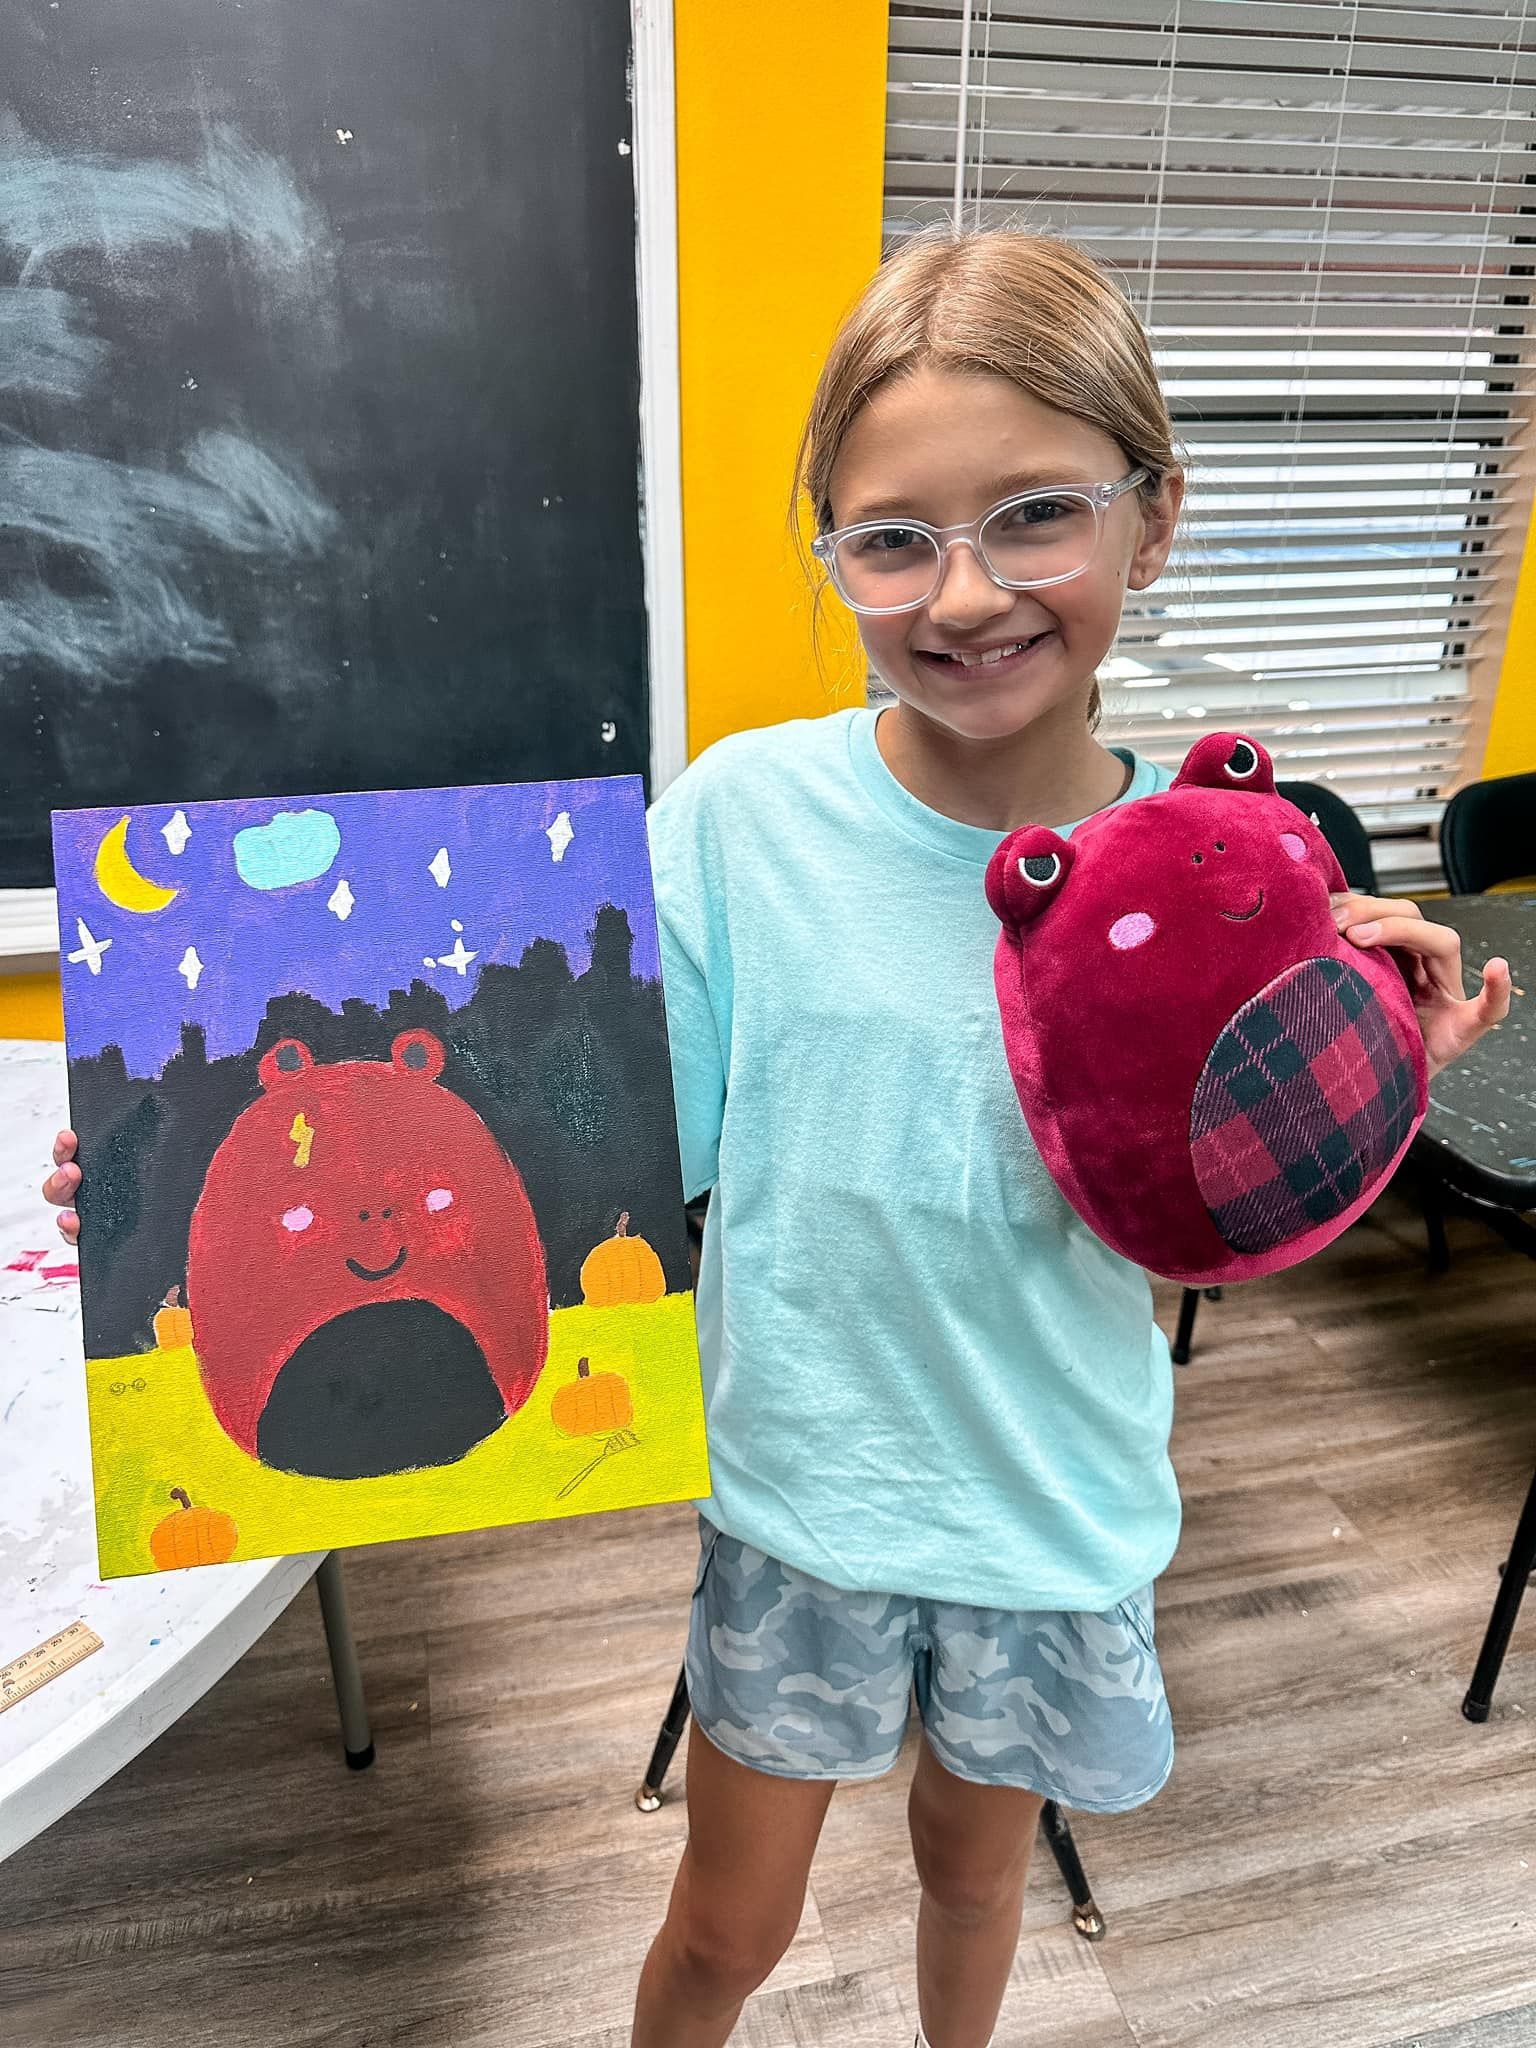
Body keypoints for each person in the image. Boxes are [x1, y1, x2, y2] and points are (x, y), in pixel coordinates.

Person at [44, 229, 1512, 2048]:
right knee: (724, 1934)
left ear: (1158, 514)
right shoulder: (745, 819)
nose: (963, 594)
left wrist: (1377, 1072)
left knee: (977, 1884)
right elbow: (570, 1126)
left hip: (1051, 1516)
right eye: (893, 538)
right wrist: (184, 1185)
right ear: (833, 549)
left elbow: (1205, 1209)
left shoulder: (1224, 870)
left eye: (1037, 513)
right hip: (803, 1507)